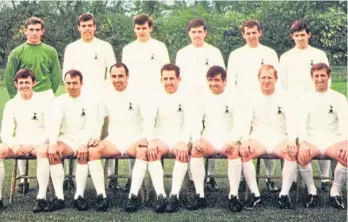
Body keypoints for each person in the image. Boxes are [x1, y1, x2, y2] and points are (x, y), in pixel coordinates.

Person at [4, 17, 61, 193]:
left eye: (38, 30)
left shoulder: (50, 51)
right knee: (23, 130)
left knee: (50, 132)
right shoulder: (17, 52)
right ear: (25, 31)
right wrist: (20, 97)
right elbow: (9, 77)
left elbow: (55, 75)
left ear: (42, 31)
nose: (34, 33)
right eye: (31, 29)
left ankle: (52, 176)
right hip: (24, 94)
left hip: (45, 93)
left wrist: (48, 91)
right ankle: (23, 180)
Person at [91, 63, 155, 213]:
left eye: (120, 76)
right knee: (93, 151)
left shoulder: (138, 93)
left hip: (134, 138)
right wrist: (95, 137)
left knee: (142, 152)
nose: (117, 79)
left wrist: (145, 137)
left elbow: (148, 118)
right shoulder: (105, 94)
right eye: (113, 76)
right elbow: (98, 119)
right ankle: (101, 196)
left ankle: (133, 196)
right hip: (114, 139)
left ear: (127, 76)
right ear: (110, 77)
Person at [62, 12, 116, 188]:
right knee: (77, 131)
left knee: (106, 135)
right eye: (83, 26)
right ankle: (70, 176)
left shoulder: (105, 46)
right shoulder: (71, 48)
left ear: (95, 27)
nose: (87, 29)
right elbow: (66, 74)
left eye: (90, 26)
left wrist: (104, 91)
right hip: (78, 98)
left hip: (101, 98)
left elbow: (112, 71)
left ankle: (111, 176)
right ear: (79, 28)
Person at [227, 20, 280, 192]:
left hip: (264, 100)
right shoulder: (235, 54)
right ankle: (243, 177)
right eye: (247, 33)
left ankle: (269, 176)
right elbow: (230, 81)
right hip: (241, 102)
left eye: (254, 33)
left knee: (265, 134)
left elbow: (275, 78)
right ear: (243, 35)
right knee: (243, 138)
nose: (251, 36)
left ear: (260, 33)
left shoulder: (269, 53)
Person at [279, 20, 331, 191]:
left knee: (319, 134)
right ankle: (292, 179)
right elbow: (283, 84)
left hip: (316, 102)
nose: (300, 38)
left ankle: (324, 179)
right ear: (292, 37)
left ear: (309, 35)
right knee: (294, 138)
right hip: (293, 104)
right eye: (297, 35)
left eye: (303, 35)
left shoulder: (319, 54)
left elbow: (325, 80)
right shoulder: (286, 57)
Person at [121, 14, 170, 191]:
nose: (141, 31)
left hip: (156, 95)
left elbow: (166, 70)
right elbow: (125, 73)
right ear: (134, 29)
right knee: (135, 134)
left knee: (154, 133)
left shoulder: (159, 47)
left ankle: (156, 179)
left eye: (144, 28)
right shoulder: (128, 49)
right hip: (134, 95)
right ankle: (132, 177)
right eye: (138, 28)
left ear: (150, 28)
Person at [238, 65, 298, 210]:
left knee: (290, 153)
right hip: (258, 136)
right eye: (263, 77)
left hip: (279, 137)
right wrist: (244, 140)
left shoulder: (285, 96)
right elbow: (244, 121)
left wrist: (291, 140)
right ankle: (255, 194)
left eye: (269, 77)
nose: (266, 80)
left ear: (276, 79)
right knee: (245, 153)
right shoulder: (251, 96)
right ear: (258, 79)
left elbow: (292, 120)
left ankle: (283, 195)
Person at [176, 18, 225, 190]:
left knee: (211, 132)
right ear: (189, 33)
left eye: (200, 31)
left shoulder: (214, 52)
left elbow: (221, 75)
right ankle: (191, 176)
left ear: (205, 33)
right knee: (192, 135)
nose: (197, 35)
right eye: (193, 32)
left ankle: (210, 176)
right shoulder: (182, 53)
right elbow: (178, 78)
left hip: (210, 98)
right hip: (188, 99)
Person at [47, 69, 106, 212]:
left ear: (81, 83)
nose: (71, 86)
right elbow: (54, 123)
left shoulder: (89, 101)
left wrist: (83, 143)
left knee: (84, 154)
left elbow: (92, 124)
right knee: (54, 153)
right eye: (68, 83)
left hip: (84, 138)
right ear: (64, 83)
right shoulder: (59, 101)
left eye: (75, 83)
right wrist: (53, 143)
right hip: (66, 138)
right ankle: (59, 198)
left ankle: (79, 196)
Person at [189, 66, 243, 212]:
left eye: (217, 80)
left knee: (234, 152)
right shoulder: (201, 99)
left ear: (225, 81)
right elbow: (195, 123)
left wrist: (233, 140)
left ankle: (234, 196)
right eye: (210, 80)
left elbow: (240, 123)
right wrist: (197, 140)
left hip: (228, 138)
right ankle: (200, 195)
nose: (213, 84)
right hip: (209, 137)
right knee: (195, 151)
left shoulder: (234, 97)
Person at [0, 69, 52, 212]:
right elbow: (5, 131)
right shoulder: (11, 104)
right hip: (19, 141)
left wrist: (33, 144)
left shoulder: (43, 102)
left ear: (33, 83)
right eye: (21, 82)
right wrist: (13, 144)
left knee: (43, 152)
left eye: (27, 82)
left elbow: (50, 129)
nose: (24, 85)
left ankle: (41, 199)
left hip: (39, 140)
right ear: (16, 84)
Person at [297, 63, 347, 209]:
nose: (320, 79)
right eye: (316, 76)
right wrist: (303, 142)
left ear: (328, 76)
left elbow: (345, 122)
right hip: (311, 138)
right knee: (301, 155)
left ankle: (335, 191)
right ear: (312, 78)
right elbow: (300, 124)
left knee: (346, 155)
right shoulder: (304, 98)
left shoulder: (339, 98)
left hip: (332, 138)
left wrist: (345, 141)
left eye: (323, 75)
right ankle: (312, 191)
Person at [145, 64, 192, 213]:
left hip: (180, 137)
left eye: (172, 78)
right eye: (165, 79)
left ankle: (174, 195)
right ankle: (161, 195)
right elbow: (148, 121)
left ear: (179, 79)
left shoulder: (187, 96)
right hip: (162, 137)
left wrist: (184, 141)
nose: (168, 82)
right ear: (161, 80)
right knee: (153, 152)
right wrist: (151, 140)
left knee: (182, 152)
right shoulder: (154, 96)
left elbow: (190, 122)